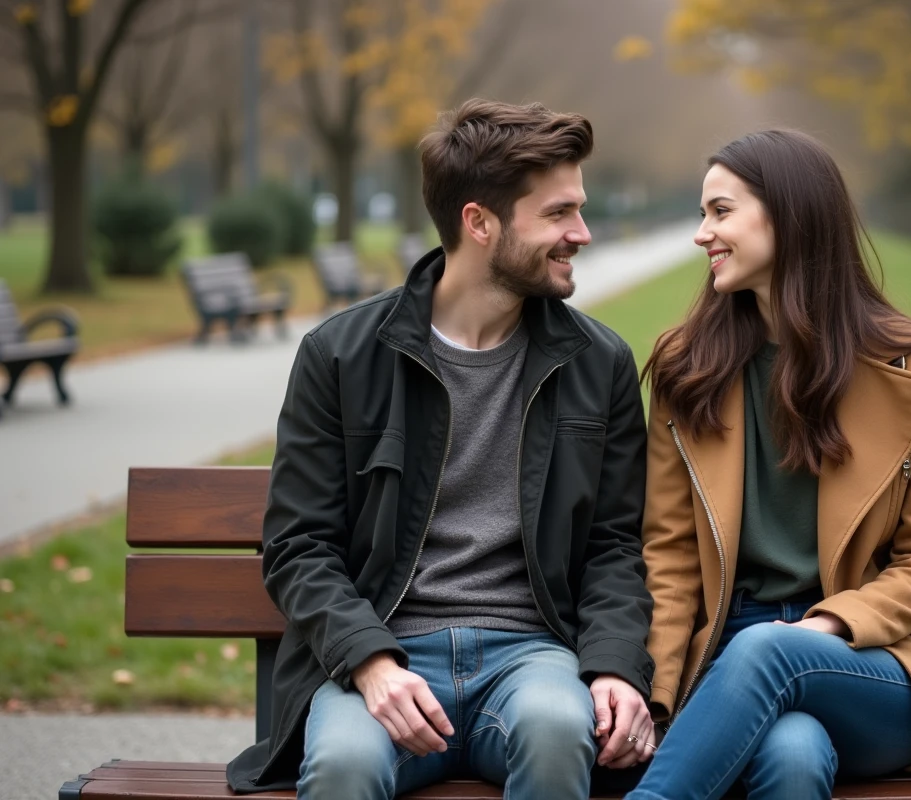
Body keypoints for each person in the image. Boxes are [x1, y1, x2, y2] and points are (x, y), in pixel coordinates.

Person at [226, 99, 656, 799]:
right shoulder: (340, 356)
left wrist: (611, 666)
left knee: (556, 729)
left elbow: (613, 546)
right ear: (479, 222)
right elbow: (299, 544)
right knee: (343, 765)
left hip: (531, 657)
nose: (581, 232)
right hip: (382, 652)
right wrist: (369, 661)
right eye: (557, 214)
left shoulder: (598, 362)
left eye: (578, 209)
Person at [626, 129, 911, 800]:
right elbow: (671, 556)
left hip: (872, 661)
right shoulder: (688, 368)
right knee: (793, 757)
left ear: (789, 214)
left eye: (721, 211)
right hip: (728, 655)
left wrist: (824, 626)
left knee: (771, 649)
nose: (702, 233)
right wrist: (654, 696)